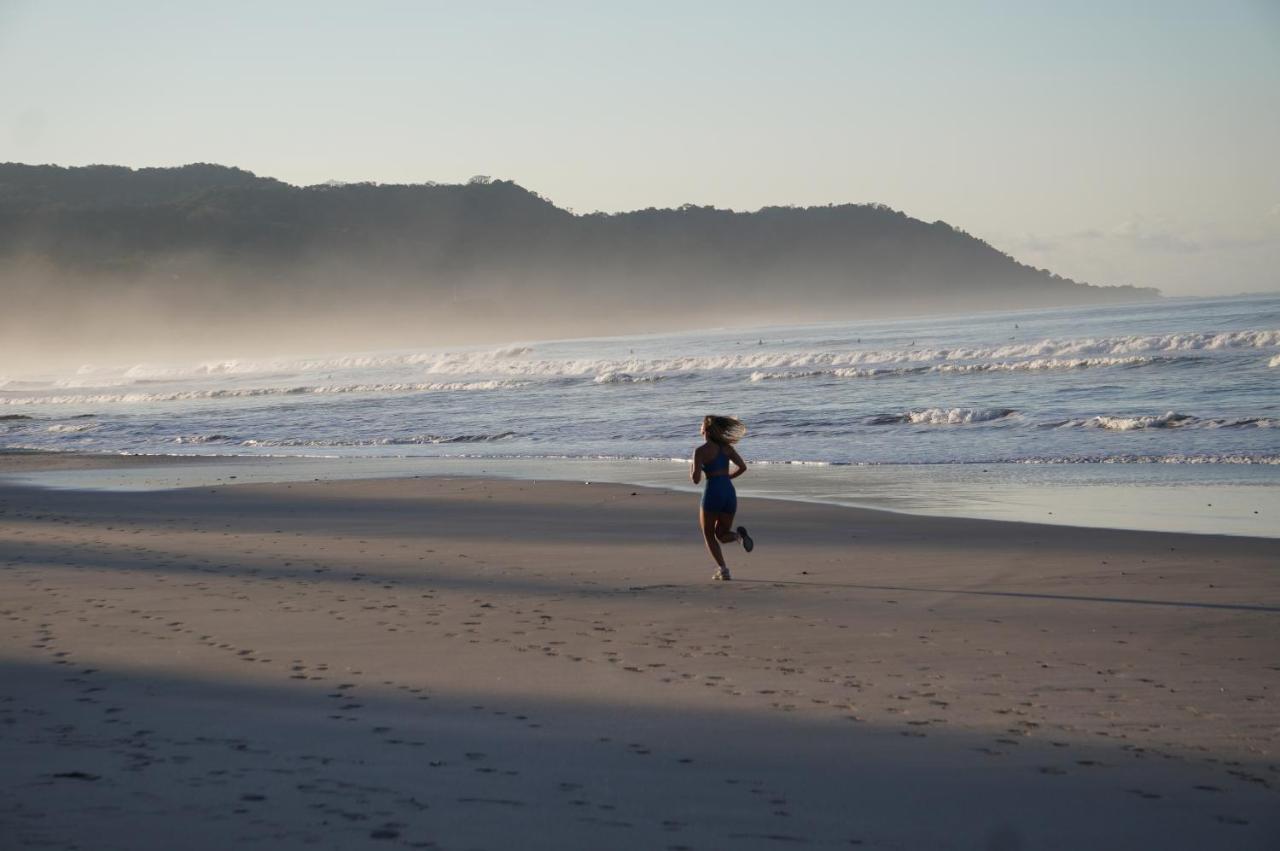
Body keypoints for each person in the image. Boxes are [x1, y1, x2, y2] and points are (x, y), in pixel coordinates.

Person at [690, 415, 754, 580]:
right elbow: (743, 467)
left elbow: (696, 480)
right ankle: (738, 537)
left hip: (713, 492)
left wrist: (693, 466)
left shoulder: (700, 451)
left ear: (705, 429)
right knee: (722, 534)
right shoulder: (727, 448)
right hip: (728, 493)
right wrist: (726, 478)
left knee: (709, 535)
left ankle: (723, 570)